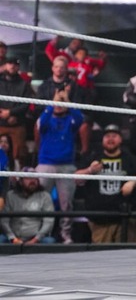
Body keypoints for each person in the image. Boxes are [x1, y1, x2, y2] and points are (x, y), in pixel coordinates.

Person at [75, 124, 136, 244]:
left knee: (129, 257)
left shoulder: (130, 159)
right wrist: (90, 171)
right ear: (102, 140)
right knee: (102, 258)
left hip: (125, 219)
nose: (110, 139)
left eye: (114, 136)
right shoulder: (93, 157)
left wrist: (133, 182)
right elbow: (76, 179)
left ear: (120, 139)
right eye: (107, 136)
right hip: (100, 221)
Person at [35, 88, 83, 244]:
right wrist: (53, 101)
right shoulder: (46, 119)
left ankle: (65, 234)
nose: (59, 105)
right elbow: (41, 124)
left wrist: (67, 101)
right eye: (57, 103)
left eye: (61, 103)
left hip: (66, 165)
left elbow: (80, 119)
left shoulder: (71, 120)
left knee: (66, 204)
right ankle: (36, 232)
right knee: (39, 200)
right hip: (46, 163)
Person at [0, 167, 57, 245]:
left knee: (49, 241)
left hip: (36, 238)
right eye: (28, 178)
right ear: (20, 181)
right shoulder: (10, 196)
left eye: (35, 178)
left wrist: (35, 239)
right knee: (1, 240)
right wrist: (13, 238)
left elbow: (49, 221)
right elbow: (4, 220)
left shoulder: (45, 196)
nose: (32, 181)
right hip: (13, 237)